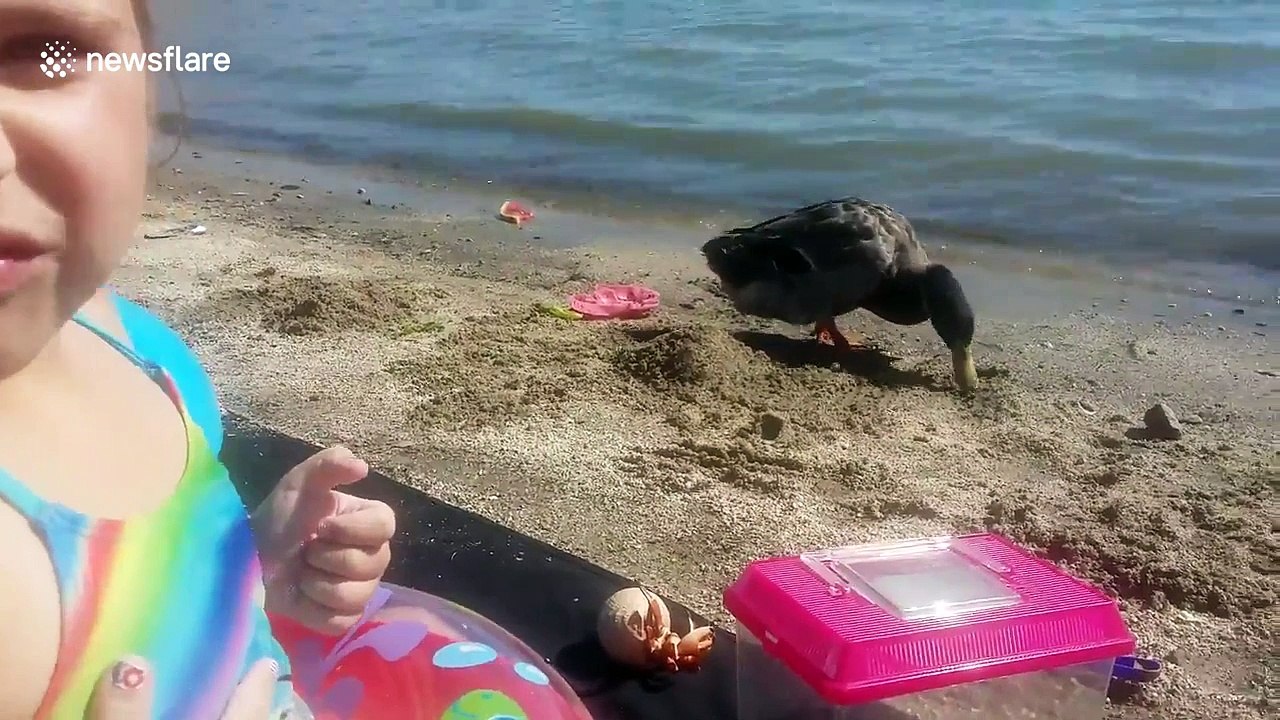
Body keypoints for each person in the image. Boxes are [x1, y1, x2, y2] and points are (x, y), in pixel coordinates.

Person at [0, 1, 397, 718]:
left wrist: (247, 563)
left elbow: (155, 607)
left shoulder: (133, 343)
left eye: (41, 48)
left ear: (150, 86)